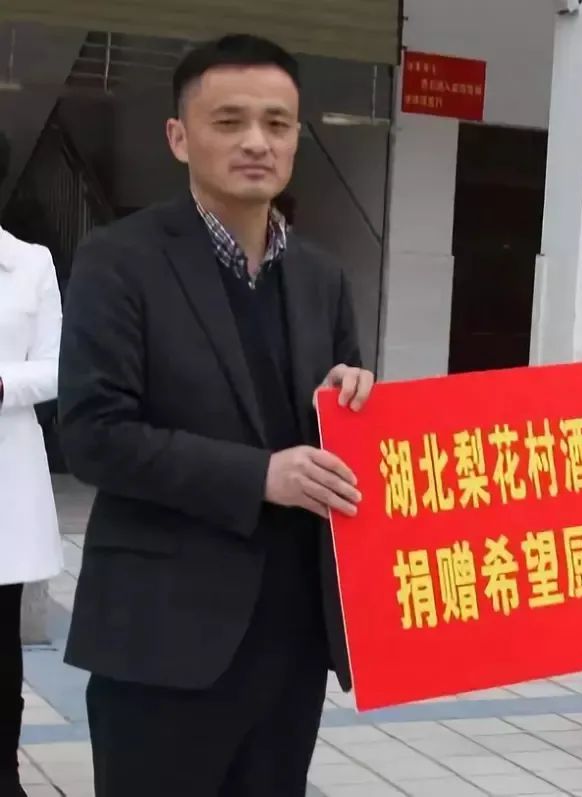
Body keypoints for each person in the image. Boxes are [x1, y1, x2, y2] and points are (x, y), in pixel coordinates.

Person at [57, 34, 372, 797]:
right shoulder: (118, 260)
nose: (257, 141)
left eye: (277, 123)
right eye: (229, 121)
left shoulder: (323, 277)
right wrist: (260, 475)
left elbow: (336, 447)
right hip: (163, 637)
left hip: (294, 637)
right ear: (179, 136)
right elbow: (94, 435)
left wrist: (358, 403)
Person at [0, 133, 64, 797]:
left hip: (6, 476)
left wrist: (1, 385)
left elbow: (56, 366)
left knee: (1, 636)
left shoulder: (30, 264)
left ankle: (5, 768)